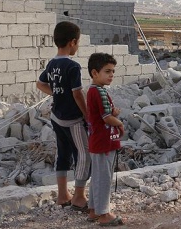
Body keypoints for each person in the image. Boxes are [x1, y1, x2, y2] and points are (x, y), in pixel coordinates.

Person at [37, 21, 90, 211]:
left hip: (56, 117)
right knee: (84, 155)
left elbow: (40, 84)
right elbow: (77, 93)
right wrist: (88, 115)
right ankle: (79, 196)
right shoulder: (73, 66)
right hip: (72, 119)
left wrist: (57, 93)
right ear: (73, 42)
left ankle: (62, 195)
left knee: (63, 154)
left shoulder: (52, 64)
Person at [86, 53, 125, 226]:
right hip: (103, 142)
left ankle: (94, 209)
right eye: (107, 71)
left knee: (97, 176)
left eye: (113, 71)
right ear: (95, 73)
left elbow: (104, 113)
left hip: (98, 141)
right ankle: (104, 214)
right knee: (104, 178)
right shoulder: (99, 91)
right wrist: (120, 123)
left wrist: (112, 114)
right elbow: (105, 118)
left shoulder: (94, 90)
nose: (111, 75)